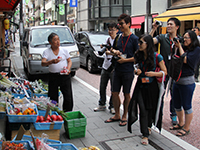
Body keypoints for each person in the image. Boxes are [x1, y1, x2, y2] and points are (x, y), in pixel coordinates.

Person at [128, 34, 167, 145]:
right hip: (140, 85)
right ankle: (145, 134)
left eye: (141, 42)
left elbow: (165, 72)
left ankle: (148, 126)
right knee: (143, 109)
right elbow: (134, 66)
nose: (139, 44)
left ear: (148, 44)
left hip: (152, 86)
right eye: (139, 42)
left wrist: (153, 73)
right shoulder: (138, 55)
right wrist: (137, 71)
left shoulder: (157, 56)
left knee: (151, 108)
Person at [104, 13, 138, 126]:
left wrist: (126, 60)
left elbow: (137, 58)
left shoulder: (134, 39)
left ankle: (125, 116)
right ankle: (117, 114)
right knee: (114, 93)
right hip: (117, 68)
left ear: (128, 24)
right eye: (119, 23)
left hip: (128, 70)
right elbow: (114, 49)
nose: (120, 26)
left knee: (127, 94)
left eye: (122, 23)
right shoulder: (119, 37)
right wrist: (115, 52)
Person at [150, 17, 181, 125]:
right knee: (160, 94)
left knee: (175, 95)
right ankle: (158, 116)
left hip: (175, 73)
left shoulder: (180, 40)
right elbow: (148, 41)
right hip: (164, 72)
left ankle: (174, 115)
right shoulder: (162, 37)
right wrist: (154, 29)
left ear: (177, 27)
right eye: (167, 24)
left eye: (171, 24)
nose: (168, 26)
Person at [169, 30, 200, 136]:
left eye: (187, 38)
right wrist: (177, 46)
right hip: (177, 80)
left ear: (192, 39)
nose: (184, 39)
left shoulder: (196, 50)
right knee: (176, 104)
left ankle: (186, 128)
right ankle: (180, 123)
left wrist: (180, 47)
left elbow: (186, 60)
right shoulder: (183, 48)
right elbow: (175, 57)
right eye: (184, 37)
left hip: (187, 81)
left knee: (187, 105)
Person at [41, 32, 73, 112]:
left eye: (58, 39)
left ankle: (67, 112)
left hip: (64, 75)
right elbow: (43, 63)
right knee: (53, 96)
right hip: (53, 76)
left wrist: (68, 69)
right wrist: (51, 62)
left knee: (68, 96)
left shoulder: (64, 50)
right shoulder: (47, 52)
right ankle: (54, 112)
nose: (58, 41)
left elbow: (69, 61)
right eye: (55, 40)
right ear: (50, 42)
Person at [94, 22, 119, 114]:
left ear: (117, 30)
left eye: (112, 30)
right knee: (102, 86)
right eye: (109, 30)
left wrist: (110, 53)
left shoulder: (118, 40)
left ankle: (112, 106)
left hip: (114, 67)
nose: (110, 32)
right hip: (105, 66)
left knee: (113, 88)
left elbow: (120, 52)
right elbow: (104, 50)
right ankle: (102, 104)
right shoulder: (107, 39)